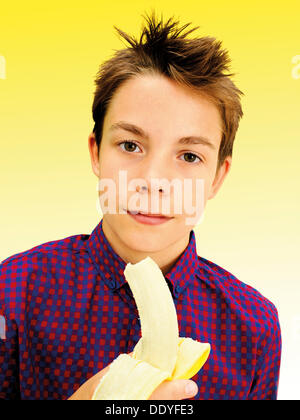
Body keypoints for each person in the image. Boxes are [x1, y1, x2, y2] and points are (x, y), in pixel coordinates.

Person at [0, 11, 281, 400]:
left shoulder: (255, 327)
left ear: (218, 176)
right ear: (97, 153)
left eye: (189, 156)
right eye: (130, 146)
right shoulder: (13, 292)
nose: (154, 180)